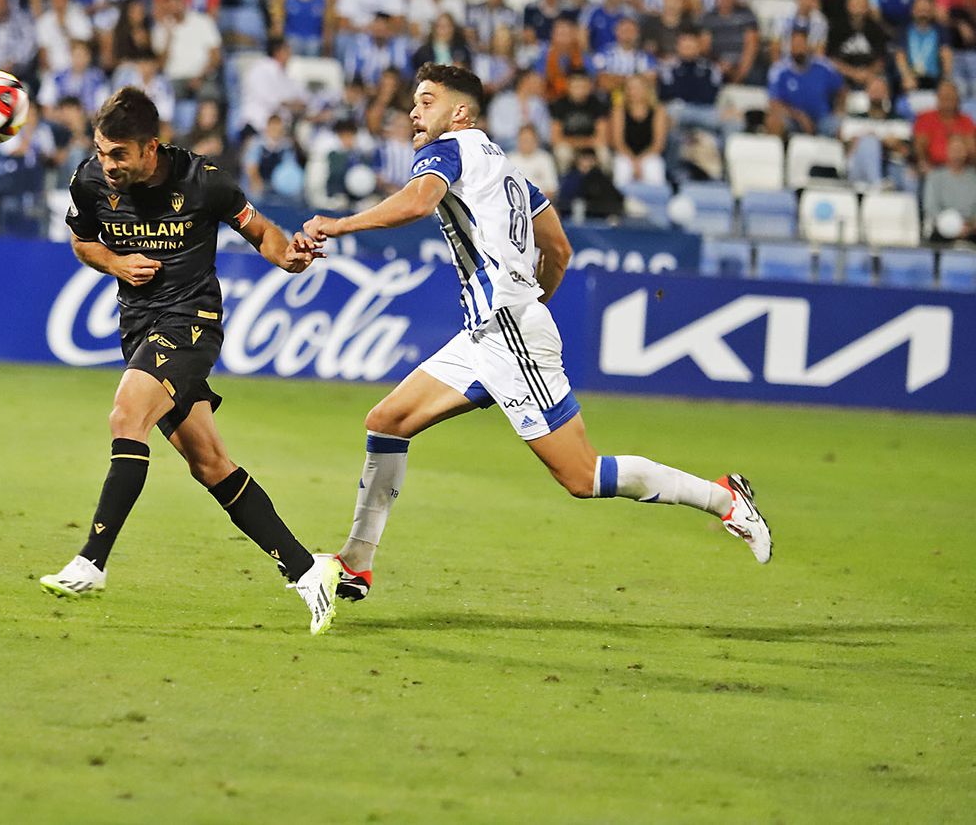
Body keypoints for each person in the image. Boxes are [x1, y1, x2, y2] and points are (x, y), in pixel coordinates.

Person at [293, 62, 772, 605]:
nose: (413, 111)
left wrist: (339, 223)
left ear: (459, 113)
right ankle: (357, 564)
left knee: (581, 475)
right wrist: (532, 299)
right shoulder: (513, 176)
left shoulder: (448, 150)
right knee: (387, 422)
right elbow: (560, 250)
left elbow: (418, 201)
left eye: (425, 101)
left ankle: (724, 498)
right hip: (489, 333)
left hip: (509, 333)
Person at [39, 87, 342, 635]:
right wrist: (114, 261)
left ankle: (91, 561)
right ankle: (307, 570)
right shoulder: (88, 180)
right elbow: (83, 243)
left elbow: (263, 233)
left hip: (191, 322)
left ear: (151, 148)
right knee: (210, 464)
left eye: (118, 155)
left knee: (126, 417)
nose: (106, 165)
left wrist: (289, 257)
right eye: (102, 151)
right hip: (137, 327)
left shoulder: (203, 181)